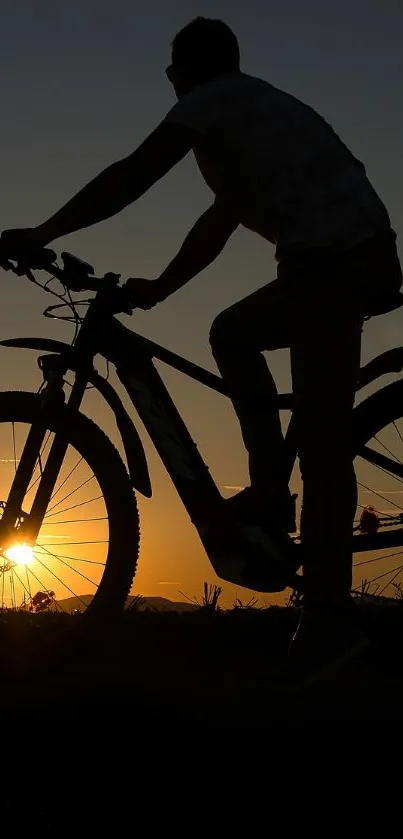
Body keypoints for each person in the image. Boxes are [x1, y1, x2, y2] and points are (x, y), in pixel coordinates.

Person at [2, 17, 402, 680]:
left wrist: (42, 230)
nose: (168, 82)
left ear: (184, 71)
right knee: (231, 334)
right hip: (334, 259)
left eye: (170, 71)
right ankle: (273, 497)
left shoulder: (212, 101)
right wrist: (158, 287)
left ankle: (327, 615)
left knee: (324, 445)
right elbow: (217, 222)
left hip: (335, 265)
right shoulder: (248, 112)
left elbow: (132, 175)